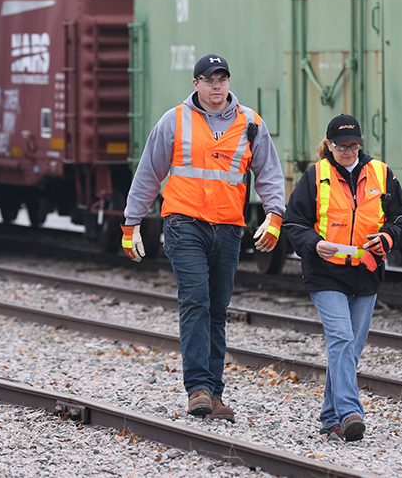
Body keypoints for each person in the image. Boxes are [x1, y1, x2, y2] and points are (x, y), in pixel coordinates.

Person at [121, 54, 285, 422]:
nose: (216, 86)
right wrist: (131, 224)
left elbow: (269, 173)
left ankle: (214, 394)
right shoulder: (174, 121)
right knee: (195, 301)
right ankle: (197, 388)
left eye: (222, 79)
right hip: (184, 225)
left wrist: (275, 215)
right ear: (195, 84)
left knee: (217, 311)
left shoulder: (250, 123)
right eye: (209, 79)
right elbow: (149, 173)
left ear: (228, 82)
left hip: (228, 229)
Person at [282, 114, 402, 442]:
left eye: (354, 145)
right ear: (329, 145)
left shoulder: (382, 174)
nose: (348, 151)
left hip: (367, 272)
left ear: (361, 143)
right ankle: (351, 412)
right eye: (341, 146)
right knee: (340, 339)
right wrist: (314, 244)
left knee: (350, 349)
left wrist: (388, 238)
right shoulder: (315, 176)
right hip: (326, 273)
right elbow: (293, 222)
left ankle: (329, 418)